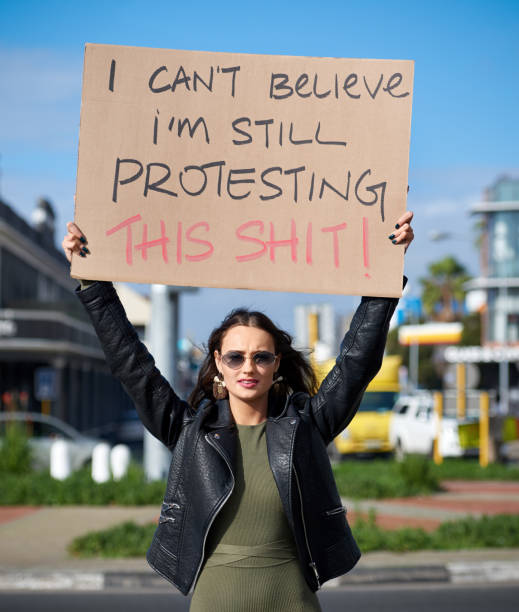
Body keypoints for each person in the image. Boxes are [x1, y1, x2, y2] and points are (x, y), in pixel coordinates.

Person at [62, 212, 414, 611]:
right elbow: (132, 366)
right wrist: (93, 283)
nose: (248, 368)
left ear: (277, 364)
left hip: (292, 601)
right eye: (235, 357)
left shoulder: (306, 427)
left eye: (261, 357)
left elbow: (356, 365)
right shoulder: (189, 432)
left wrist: (386, 273)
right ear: (218, 362)